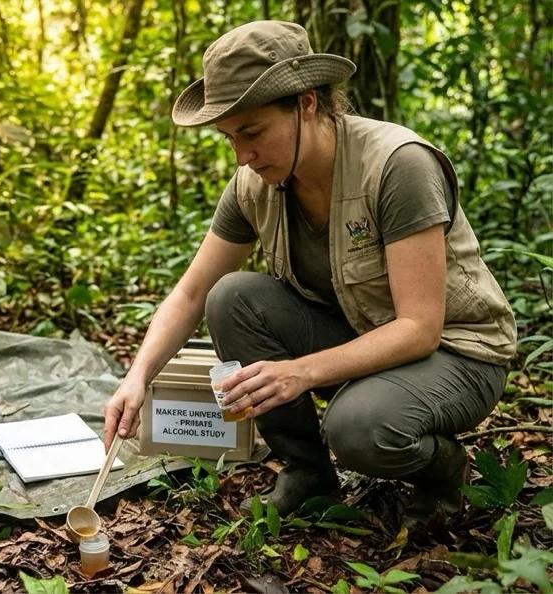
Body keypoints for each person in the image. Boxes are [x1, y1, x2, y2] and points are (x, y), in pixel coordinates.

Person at [101, 21, 515, 531]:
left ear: (307, 104)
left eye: (253, 133)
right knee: (231, 295)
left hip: (457, 351)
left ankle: (441, 470)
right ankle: (308, 471)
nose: (243, 157)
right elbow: (191, 292)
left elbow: (420, 328)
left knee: (358, 429)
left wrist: (301, 371)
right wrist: (137, 377)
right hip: (363, 336)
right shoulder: (253, 183)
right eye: (229, 138)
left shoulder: (396, 165)